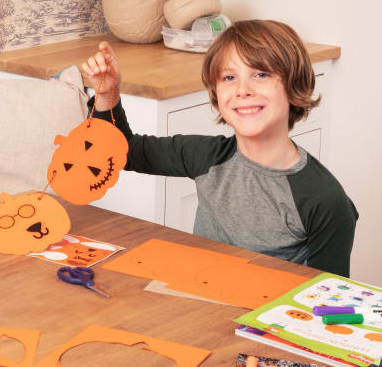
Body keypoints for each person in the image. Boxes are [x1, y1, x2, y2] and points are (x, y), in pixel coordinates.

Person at [80, 20, 357, 276]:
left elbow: (328, 305)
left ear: (293, 84)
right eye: (228, 78)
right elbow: (120, 152)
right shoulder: (206, 156)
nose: (242, 90)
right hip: (197, 305)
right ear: (216, 92)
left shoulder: (325, 200)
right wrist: (108, 94)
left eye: (261, 74)